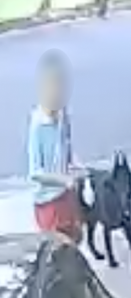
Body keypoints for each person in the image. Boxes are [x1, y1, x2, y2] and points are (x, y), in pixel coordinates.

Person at [27, 50, 84, 242]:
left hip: (67, 197)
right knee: (59, 252)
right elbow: (35, 172)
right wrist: (62, 179)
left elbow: (67, 148)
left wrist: (76, 165)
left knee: (76, 239)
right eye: (54, 89)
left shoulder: (63, 116)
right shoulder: (38, 127)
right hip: (48, 203)